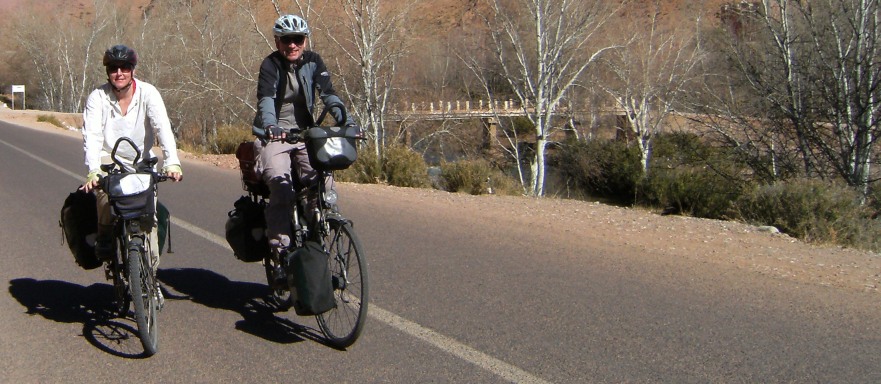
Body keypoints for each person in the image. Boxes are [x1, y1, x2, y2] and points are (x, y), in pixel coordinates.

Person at [252, 14, 357, 256]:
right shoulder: (270, 65)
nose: (292, 45)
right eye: (286, 40)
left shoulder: (313, 61)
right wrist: (270, 126)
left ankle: (315, 235)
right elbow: (266, 99)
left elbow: (328, 94)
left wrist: (346, 121)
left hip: (305, 134)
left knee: (322, 182)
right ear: (277, 41)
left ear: (305, 41)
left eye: (297, 39)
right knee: (280, 186)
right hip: (275, 135)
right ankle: (280, 251)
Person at [80, 44, 183, 266]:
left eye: (125, 67)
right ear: (107, 72)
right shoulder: (97, 97)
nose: (119, 73)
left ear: (132, 70)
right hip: (108, 159)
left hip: (141, 161)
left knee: (150, 217)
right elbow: (93, 135)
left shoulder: (148, 93)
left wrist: (172, 162)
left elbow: (162, 128)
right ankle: (106, 236)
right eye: (114, 68)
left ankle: (151, 275)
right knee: (106, 198)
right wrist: (93, 170)